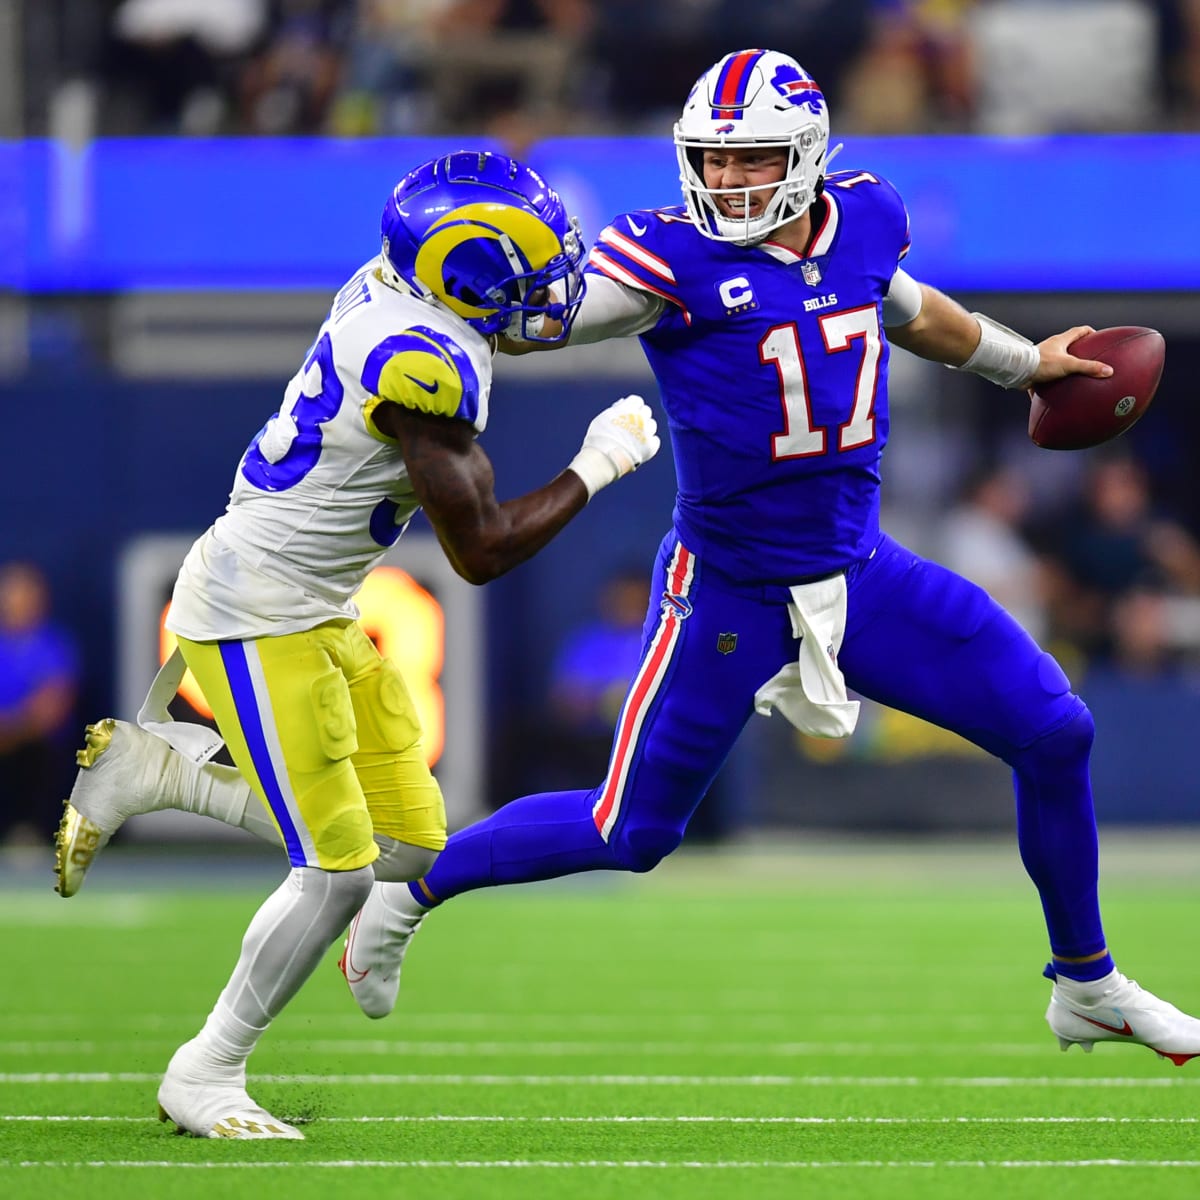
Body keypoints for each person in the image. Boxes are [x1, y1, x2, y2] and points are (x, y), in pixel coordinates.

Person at [336, 49, 1200, 1062]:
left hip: (863, 575)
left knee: (1056, 734)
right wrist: (437, 300)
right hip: (729, 593)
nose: (728, 182)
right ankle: (411, 893)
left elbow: (913, 311)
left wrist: (1026, 368)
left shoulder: (867, 219)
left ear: (807, 159)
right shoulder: (670, 261)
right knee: (632, 832)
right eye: (713, 160)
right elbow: (551, 323)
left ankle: (1086, 983)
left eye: (751, 162)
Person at [53, 149, 659, 1139]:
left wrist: (659, 300)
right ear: (463, 278)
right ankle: (205, 1071)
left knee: (408, 844)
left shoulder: (402, 285)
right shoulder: (425, 365)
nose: (549, 291)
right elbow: (482, 548)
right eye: (527, 273)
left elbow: (529, 328)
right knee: (335, 871)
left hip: (314, 604)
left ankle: (158, 774)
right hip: (256, 610)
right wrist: (597, 465)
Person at [0, 562, 80, 846]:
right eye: (11, 593)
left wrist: (11, 731)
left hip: (31, 745)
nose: (17, 601)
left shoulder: (53, 645)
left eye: (25, 593)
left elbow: (52, 710)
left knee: (36, 755)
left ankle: (28, 831)